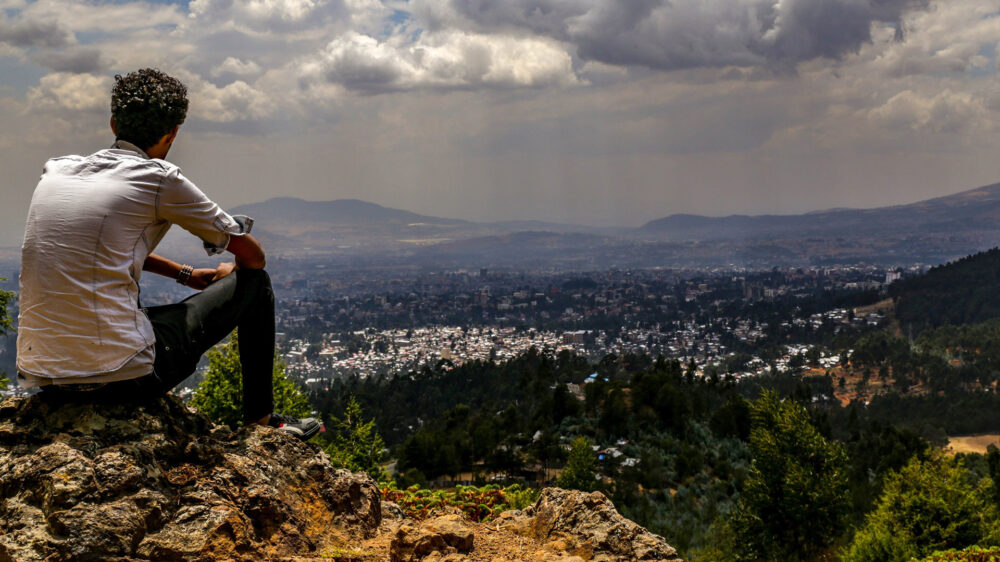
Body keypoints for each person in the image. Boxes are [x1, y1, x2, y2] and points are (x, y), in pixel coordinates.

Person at [16, 68, 320, 440]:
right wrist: (229, 268)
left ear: (113, 123)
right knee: (256, 283)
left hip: (44, 376)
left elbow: (99, 254)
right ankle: (261, 421)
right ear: (172, 133)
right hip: (123, 379)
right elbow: (253, 257)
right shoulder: (158, 177)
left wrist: (186, 274)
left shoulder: (56, 171)